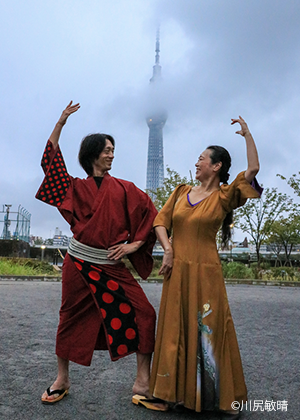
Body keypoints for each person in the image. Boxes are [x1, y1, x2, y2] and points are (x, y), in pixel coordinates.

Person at [134, 117, 262, 419]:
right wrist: (168, 249)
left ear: (216, 166)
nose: (197, 163)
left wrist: (248, 135)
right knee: (174, 330)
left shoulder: (224, 195)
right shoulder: (180, 192)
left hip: (206, 272)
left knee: (209, 329)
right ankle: (170, 395)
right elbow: (160, 221)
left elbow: (253, 171)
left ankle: (216, 398)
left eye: (202, 159)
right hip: (177, 270)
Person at [36, 101, 158, 404]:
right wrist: (61, 121)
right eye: (107, 149)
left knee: (145, 313)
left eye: (113, 150)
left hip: (112, 265)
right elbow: (50, 162)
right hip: (78, 263)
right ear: (93, 154)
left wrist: (136, 244)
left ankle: (143, 382)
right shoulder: (74, 188)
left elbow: (153, 216)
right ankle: (62, 379)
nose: (112, 154)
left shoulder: (127, 189)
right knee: (69, 317)